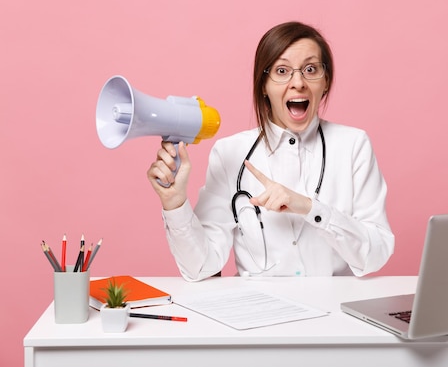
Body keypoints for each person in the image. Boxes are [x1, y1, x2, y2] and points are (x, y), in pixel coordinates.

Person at [147, 21, 394, 280]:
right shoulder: (230, 152)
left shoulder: (353, 145)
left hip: (334, 309)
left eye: (310, 69)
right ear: (263, 85)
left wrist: (310, 208)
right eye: (282, 70)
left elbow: (375, 255)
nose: (298, 82)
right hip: (259, 312)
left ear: (326, 82)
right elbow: (200, 267)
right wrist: (174, 205)